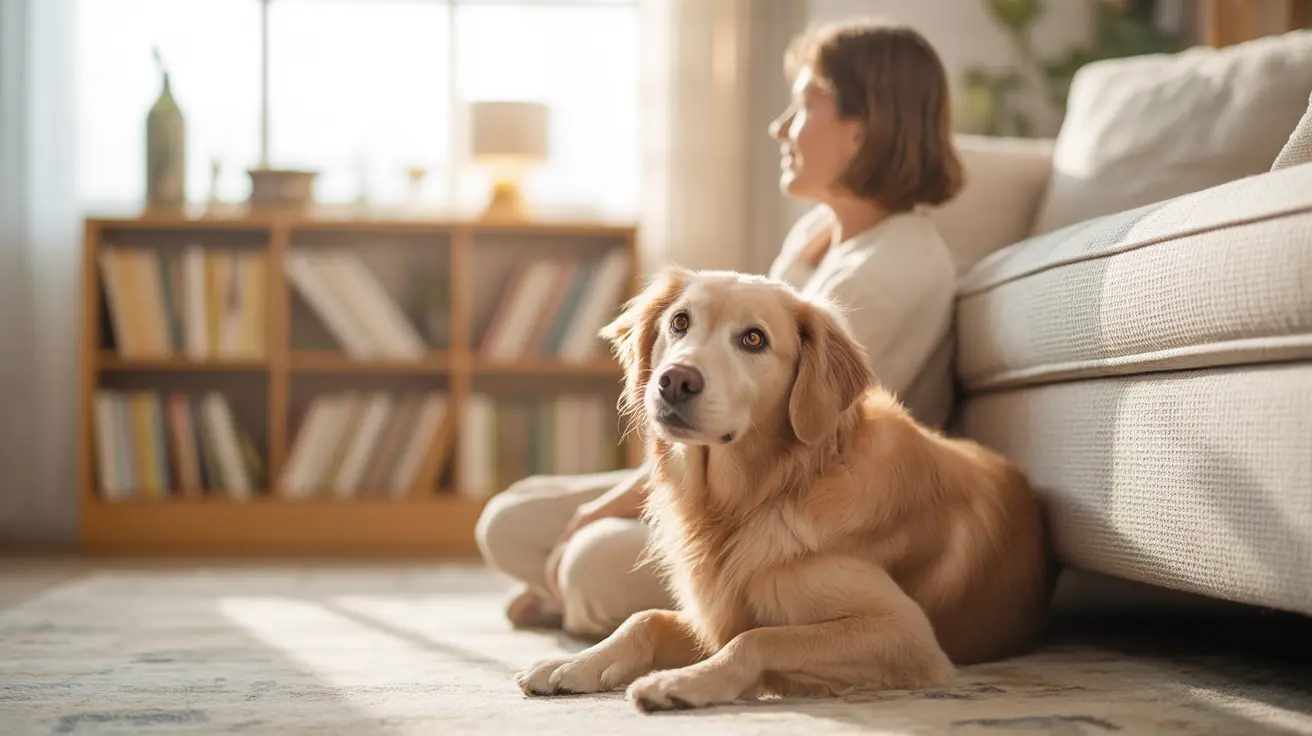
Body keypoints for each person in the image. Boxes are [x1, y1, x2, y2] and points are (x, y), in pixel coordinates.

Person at [475, 17, 964, 639]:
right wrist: (618, 502)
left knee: (592, 563)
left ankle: (583, 595)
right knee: (508, 520)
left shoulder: (893, 268)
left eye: (806, 103)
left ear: (865, 127)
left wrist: (607, 512)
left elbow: (799, 437)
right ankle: (571, 587)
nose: (780, 126)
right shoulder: (815, 240)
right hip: (731, 468)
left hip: (805, 512)